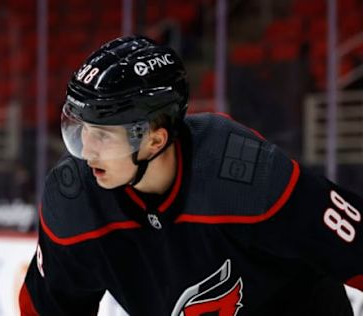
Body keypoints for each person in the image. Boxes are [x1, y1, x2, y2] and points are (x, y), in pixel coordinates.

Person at [19, 35, 363, 316]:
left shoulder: (246, 177)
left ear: (154, 139)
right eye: (81, 130)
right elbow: (47, 308)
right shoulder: (74, 198)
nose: (87, 151)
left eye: (104, 136)